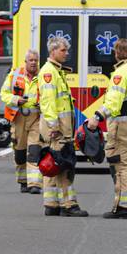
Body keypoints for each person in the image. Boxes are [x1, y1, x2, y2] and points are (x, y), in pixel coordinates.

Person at [86, 39, 127, 219]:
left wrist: (97, 117)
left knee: (122, 164)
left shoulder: (120, 74)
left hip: (122, 124)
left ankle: (124, 206)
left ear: (117, 53)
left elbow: (113, 103)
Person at [37, 36, 88, 216]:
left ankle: (51, 204)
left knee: (53, 163)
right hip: (57, 129)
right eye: (63, 50)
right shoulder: (50, 72)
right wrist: (53, 126)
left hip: (58, 128)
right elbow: (48, 102)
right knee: (65, 165)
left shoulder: (56, 71)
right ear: (52, 51)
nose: (67, 53)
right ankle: (69, 205)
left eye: (67, 50)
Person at [0, 50, 43, 194]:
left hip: (36, 118)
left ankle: (34, 183)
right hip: (18, 117)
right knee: (20, 152)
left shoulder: (43, 76)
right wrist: (16, 100)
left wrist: (41, 104)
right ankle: (23, 181)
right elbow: (4, 94)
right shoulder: (14, 75)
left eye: (35, 60)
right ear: (25, 62)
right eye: (30, 60)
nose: (33, 63)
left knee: (34, 151)